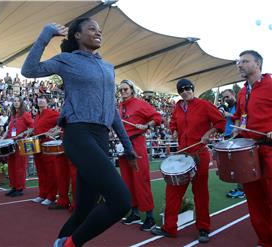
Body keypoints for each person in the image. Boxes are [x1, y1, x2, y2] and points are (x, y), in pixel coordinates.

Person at [21, 18, 137, 247]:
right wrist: (46, 35)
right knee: (121, 201)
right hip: (78, 134)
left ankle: (60, 243)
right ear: (77, 35)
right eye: (92, 28)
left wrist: (129, 147)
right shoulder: (67, 60)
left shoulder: (108, 67)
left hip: (101, 137)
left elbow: (111, 110)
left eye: (100, 30)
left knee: (85, 209)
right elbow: (29, 70)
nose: (98, 32)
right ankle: (70, 245)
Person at [151, 79, 226, 243]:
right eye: (181, 90)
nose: (185, 91)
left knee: (200, 193)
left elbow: (221, 122)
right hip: (182, 155)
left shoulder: (204, 105)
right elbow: (173, 122)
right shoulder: (178, 106)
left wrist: (209, 133)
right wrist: (174, 131)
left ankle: (204, 228)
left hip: (199, 154)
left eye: (187, 88)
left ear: (193, 89)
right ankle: (169, 228)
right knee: (172, 192)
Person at [232, 50, 272, 247]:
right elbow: (240, 117)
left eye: (244, 61)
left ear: (258, 64)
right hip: (249, 153)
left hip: (270, 151)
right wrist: (236, 131)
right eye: (238, 62)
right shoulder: (242, 91)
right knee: (255, 202)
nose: (239, 64)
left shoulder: (271, 85)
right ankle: (265, 241)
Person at [118, 79, 162, 231]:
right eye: (121, 90)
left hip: (137, 144)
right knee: (127, 181)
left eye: (125, 89)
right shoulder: (119, 106)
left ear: (131, 89)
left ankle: (150, 217)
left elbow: (157, 117)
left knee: (141, 180)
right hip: (123, 146)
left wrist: (147, 125)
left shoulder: (140, 103)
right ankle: (135, 213)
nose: (123, 92)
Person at [2, 96, 34, 197]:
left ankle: (19, 188)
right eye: (14, 101)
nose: (16, 103)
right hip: (11, 144)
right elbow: (9, 130)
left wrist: (23, 134)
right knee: (11, 166)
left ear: (21, 103)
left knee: (20, 167)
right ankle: (14, 187)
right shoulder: (12, 115)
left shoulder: (25, 114)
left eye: (18, 101)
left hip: (21, 144)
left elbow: (32, 128)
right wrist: (2, 139)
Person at [30, 95, 59, 205]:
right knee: (41, 171)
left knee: (50, 171)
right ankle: (42, 194)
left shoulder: (52, 113)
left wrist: (55, 129)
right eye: (39, 99)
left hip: (48, 146)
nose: (41, 100)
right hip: (37, 145)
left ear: (47, 102)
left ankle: (51, 196)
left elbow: (62, 122)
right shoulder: (37, 115)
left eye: (43, 99)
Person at [220, 89, 245, 199]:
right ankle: (241, 187)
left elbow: (243, 118)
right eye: (224, 98)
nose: (226, 99)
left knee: (239, 164)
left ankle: (242, 189)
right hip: (228, 136)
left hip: (237, 136)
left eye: (227, 96)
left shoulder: (238, 105)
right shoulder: (226, 107)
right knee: (234, 165)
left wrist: (228, 114)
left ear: (233, 95)